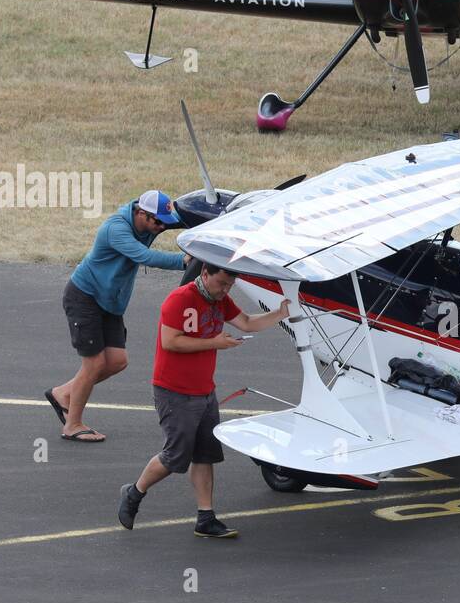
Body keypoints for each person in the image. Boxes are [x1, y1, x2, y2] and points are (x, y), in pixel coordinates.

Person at [118, 263, 290, 538]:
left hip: (203, 390)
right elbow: (171, 341)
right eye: (221, 284)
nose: (225, 290)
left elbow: (245, 322)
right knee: (175, 456)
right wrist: (215, 343)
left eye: (229, 286)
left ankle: (205, 518)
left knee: (205, 455)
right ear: (205, 275)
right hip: (174, 391)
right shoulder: (180, 299)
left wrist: (279, 314)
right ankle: (134, 492)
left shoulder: (219, 299)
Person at [46, 190, 187, 443]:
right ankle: (72, 425)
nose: (162, 227)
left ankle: (63, 393)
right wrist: (186, 261)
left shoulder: (153, 220)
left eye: (165, 222)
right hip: (85, 297)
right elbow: (145, 256)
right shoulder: (116, 229)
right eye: (158, 222)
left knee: (117, 361)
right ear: (140, 213)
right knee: (95, 364)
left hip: (110, 302)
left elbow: (183, 219)